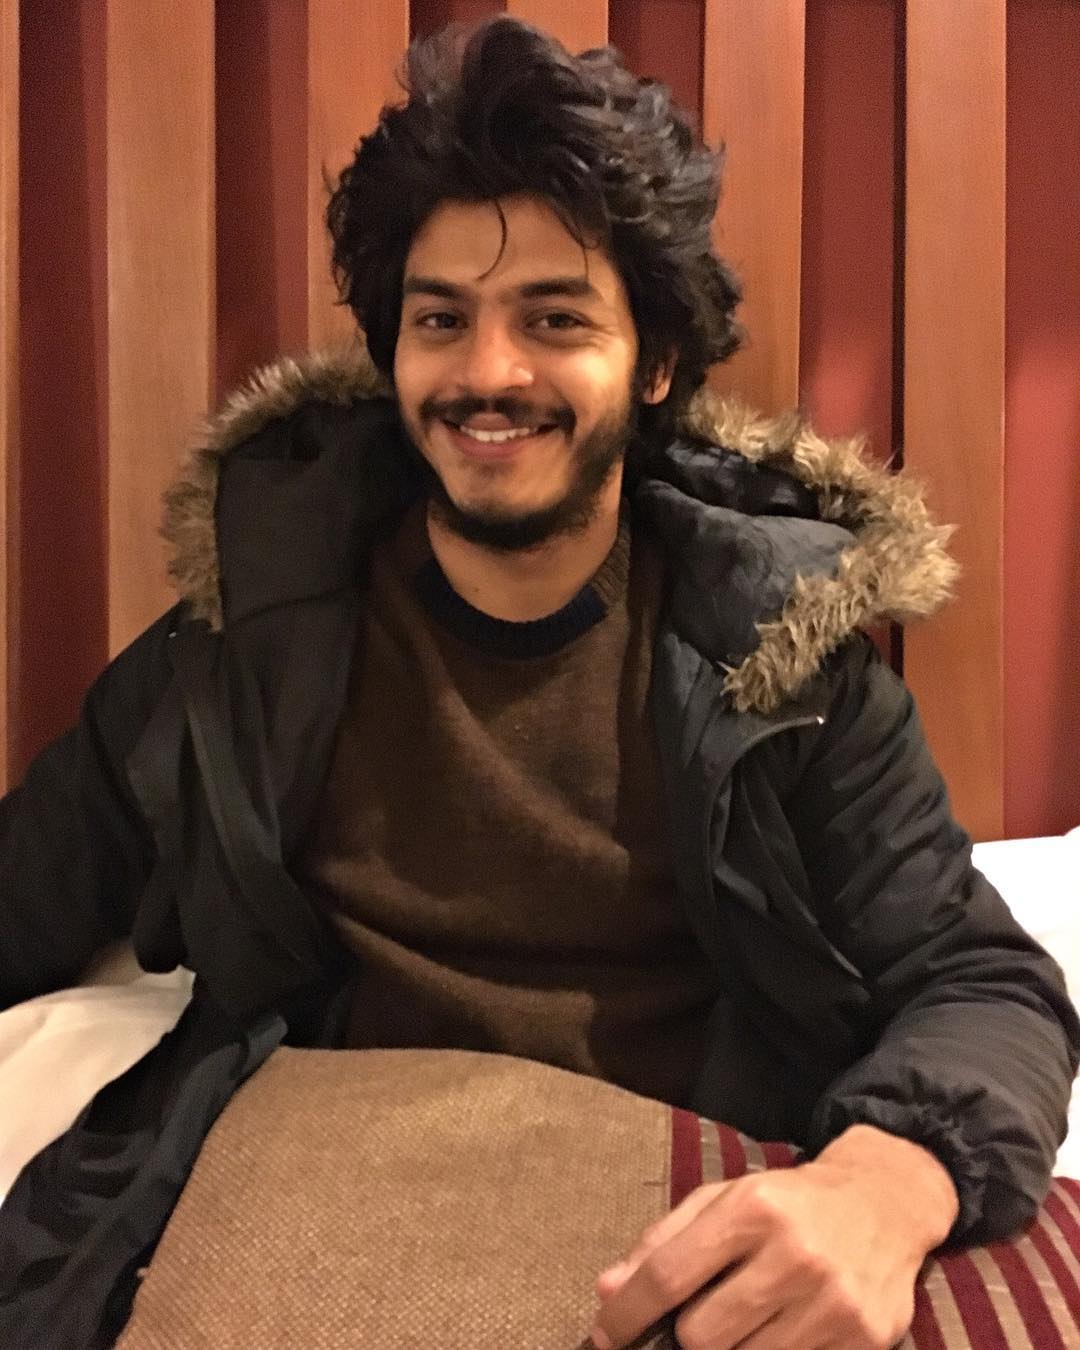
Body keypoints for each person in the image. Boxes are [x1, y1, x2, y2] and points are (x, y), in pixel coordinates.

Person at [1, 16, 1077, 1350]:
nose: (488, 374)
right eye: (440, 320)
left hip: (666, 1222)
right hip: (308, 1201)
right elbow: (30, 886)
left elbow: (983, 981)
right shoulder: (251, 639)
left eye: (555, 319)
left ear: (656, 362)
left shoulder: (780, 658)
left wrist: (884, 1183)